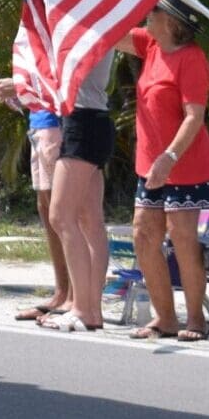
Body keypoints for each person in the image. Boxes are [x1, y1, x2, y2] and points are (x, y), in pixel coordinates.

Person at [116, 5, 209, 341]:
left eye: (154, 12)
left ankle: (196, 319)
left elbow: (194, 116)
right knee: (143, 234)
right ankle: (165, 317)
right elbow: (110, 34)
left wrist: (170, 156)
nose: (147, 15)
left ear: (171, 22)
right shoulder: (150, 44)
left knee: (183, 238)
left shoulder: (191, 59)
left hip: (183, 163)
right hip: (149, 164)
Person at [41, 17, 120, 332]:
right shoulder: (97, 25)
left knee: (60, 216)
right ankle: (90, 309)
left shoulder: (90, 26)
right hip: (89, 120)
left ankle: (83, 307)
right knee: (89, 220)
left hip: (84, 122)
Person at [0, 41, 74, 325]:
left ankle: (75, 295)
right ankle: (61, 291)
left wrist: (21, 86)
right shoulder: (37, 23)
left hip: (58, 121)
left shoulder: (62, 21)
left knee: (62, 212)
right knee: (46, 208)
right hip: (40, 120)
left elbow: (65, 72)